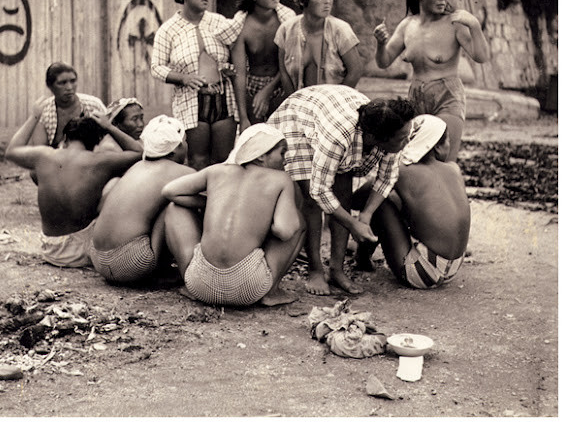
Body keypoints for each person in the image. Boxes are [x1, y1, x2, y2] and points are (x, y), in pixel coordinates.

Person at [267, 84, 415, 296]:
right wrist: (353, 224)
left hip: (339, 114)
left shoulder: (391, 130)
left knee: (343, 188)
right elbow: (319, 191)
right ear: (378, 138)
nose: (407, 140)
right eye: (402, 138)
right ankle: (315, 269)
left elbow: (387, 178)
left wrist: (366, 215)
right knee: (311, 199)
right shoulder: (338, 136)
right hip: (301, 119)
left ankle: (336, 269)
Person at [161, 124, 306, 307]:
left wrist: (211, 202)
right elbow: (285, 231)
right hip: (248, 289)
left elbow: (169, 191)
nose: (285, 161)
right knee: (299, 221)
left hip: (200, 285)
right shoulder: (280, 179)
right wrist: (265, 219)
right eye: (282, 153)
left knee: (175, 208)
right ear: (261, 155)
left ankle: (188, 285)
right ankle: (272, 292)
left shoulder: (216, 171)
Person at [4, 96, 143, 267]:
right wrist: (108, 127)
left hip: (50, 249)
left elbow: (11, 151)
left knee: (37, 171)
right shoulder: (99, 161)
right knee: (114, 183)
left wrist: (34, 116)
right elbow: (139, 153)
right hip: (80, 253)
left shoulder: (43, 155)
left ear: (65, 139)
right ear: (96, 142)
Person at [374, 0, 490, 161]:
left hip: (448, 97)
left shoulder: (455, 23)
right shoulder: (407, 25)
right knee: (414, 160)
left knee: (444, 160)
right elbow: (384, 62)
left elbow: (481, 56)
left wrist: (475, 25)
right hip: (415, 98)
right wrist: (380, 43)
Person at [353, 114, 470, 288]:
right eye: (448, 142)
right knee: (389, 198)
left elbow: (358, 199)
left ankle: (362, 258)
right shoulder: (454, 169)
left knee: (379, 202)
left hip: (422, 272)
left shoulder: (401, 170)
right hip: (452, 268)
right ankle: (365, 252)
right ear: (436, 147)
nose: (450, 146)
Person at [89, 115, 195, 285]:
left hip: (98, 258)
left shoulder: (136, 166)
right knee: (174, 204)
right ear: (177, 148)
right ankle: (169, 269)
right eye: (185, 141)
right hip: (130, 264)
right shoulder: (183, 172)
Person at [151, 0, 238, 170]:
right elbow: (156, 67)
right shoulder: (169, 29)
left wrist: (229, 68)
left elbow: (238, 53)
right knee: (197, 160)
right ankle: (200, 202)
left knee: (224, 161)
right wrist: (183, 78)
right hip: (190, 101)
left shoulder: (219, 22)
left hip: (223, 98)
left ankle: (220, 201)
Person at [216, 0, 296, 132]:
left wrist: (268, 90)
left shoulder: (287, 21)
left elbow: (289, 64)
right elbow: (240, 74)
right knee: (256, 137)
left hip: (281, 82)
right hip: (252, 86)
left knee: (281, 136)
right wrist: (243, 119)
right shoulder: (241, 27)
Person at [276, 0, 366, 96]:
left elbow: (355, 71)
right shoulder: (286, 30)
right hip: (299, 102)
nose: (327, 1)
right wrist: (294, 101)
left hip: (335, 103)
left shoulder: (341, 30)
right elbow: (284, 72)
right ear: (302, 1)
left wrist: (333, 101)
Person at [28, 62, 107, 148]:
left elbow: (109, 138)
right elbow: (40, 152)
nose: (69, 87)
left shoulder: (94, 105)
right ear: (50, 86)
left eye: (73, 81)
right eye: (62, 83)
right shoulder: (44, 112)